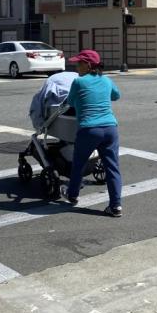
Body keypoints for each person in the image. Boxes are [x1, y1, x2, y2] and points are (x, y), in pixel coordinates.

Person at [60, 49, 123, 217]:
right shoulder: (107, 80)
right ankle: (116, 206)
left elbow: (71, 102)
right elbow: (117, 96)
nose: (76, 66)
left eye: (79, 63)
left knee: (78, 164)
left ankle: (73, 195)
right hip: (110, 128)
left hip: (89, 129)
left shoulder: (79, 82)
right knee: (112, 168)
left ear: (88, 65)